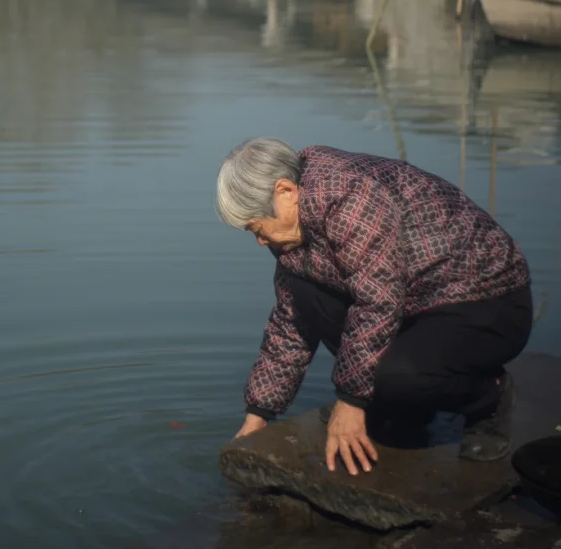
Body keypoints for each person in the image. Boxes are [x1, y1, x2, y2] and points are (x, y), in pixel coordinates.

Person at [216, 139, 533, 476]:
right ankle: (394, 400)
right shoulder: (292, 229)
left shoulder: (350, 197)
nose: (260, 240)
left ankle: (488, 399)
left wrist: (351, 402)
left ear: (285, 191)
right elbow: (290, 324)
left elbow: (377, 302)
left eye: (256, 227)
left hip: (484, 301)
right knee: (303, 291)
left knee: (396, 377)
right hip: (410, 304)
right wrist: (259, 414)